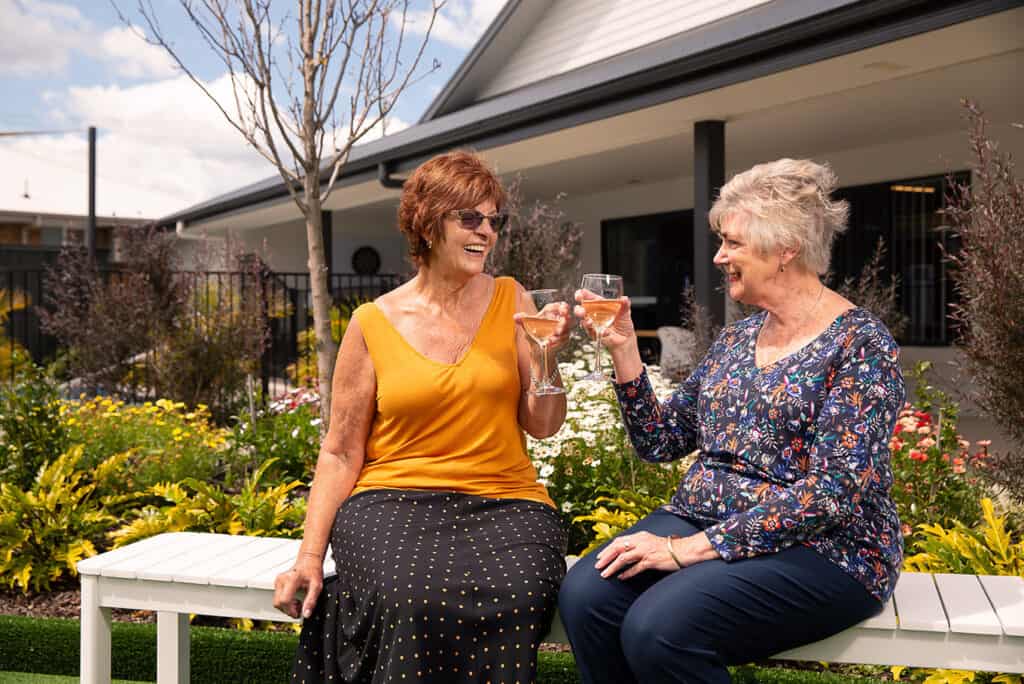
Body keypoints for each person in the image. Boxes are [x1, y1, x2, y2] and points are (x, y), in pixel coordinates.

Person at [559, 158, 906, 684]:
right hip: (706, 518)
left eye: (733, 242)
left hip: (827, 547)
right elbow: (661, 440)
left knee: (660, 628)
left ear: (785, 248)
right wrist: (624, 349)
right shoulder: (737, 338)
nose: (720, 256)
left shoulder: (861, 345)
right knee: (587, 595)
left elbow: (831, 494)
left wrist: (685, 552)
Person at [274, 150, 571, 683]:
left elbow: (544, 425)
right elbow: (340, 452)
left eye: (494, 220)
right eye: (470, 218)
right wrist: (310, 557)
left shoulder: (512, 299)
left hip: (507, 502)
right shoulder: (372, 322)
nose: (486, 232)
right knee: (410, 596)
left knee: (520, 595)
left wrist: (547, 357)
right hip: (392, 501)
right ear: (428, 224)